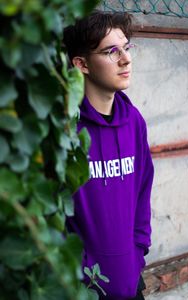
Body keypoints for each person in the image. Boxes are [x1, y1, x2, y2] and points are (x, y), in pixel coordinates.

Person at [63, 10, 154, 300]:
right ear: (82, 64)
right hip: (85, 287)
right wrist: (79, 269)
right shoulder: (66, 131)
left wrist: (136, 255)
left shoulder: (134, 121)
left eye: (126, 48)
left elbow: (143, 193)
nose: (126, 59)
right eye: (111, 51)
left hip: (130, 280)